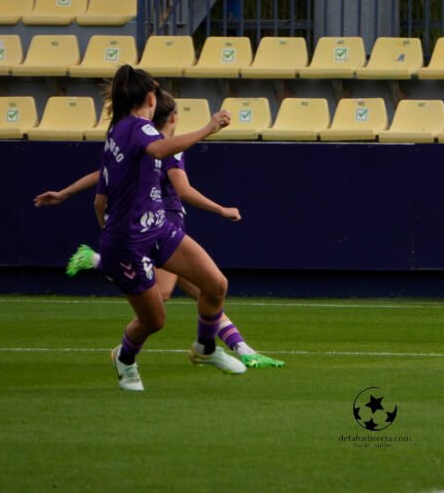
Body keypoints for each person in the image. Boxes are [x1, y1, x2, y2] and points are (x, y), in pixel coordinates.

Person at [35, 90, 284, 369]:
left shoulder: (140, 143)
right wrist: (220, 209)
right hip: (160, 227)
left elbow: (102, 175)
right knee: (168, 294)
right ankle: (128, 346)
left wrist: (66, 193)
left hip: (150, 226)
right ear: (174, 117)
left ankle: (235, 347)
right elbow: (182, 188)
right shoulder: (168, 147)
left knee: (206, 289)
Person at [69, 64, 246, 390]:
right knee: (155, 320)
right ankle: (125, 359)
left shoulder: (117, 133)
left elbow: (99, 200)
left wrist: (106, 230)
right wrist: (209, 127)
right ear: (150, 97)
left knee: (215, 284)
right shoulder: (140, 128)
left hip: (157, 229)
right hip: (129, 243)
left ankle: (205, 349)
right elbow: (159, 148)